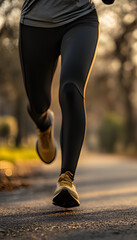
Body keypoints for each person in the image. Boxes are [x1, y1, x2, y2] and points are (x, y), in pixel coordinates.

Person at [19, 0, 115, 208]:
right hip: (35, 23)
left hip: (81, 18)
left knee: (71, 89)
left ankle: (66, 179)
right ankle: (44, 124)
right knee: (38, 104)